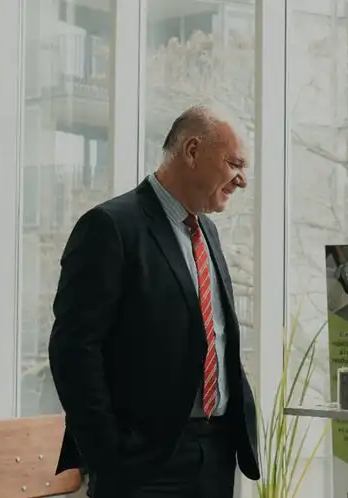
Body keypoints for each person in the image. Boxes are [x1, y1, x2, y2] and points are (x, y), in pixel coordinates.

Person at [48, 106, 259, 497]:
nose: (242, 181)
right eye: (234, 164)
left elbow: (212, 336)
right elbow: (74, 349)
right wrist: (108, 453)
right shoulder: (110, 227)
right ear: (192, 151)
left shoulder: (206, 232)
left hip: (214, 456)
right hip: (142, 464)